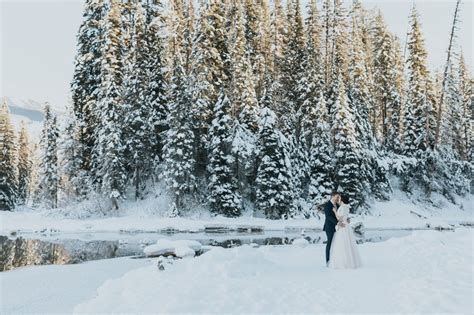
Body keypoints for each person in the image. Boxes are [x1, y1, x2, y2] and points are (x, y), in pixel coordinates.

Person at [328, 194, 362, 269]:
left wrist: (334, 211)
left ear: (342, 200)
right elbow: (345, 217)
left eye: (339, 198)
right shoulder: (346, 207)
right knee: (347, 243)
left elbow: (339, 218)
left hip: (343, 226)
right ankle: (350, 261)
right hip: (346, 226)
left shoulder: (343, 207)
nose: (338, 199)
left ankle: (343, 263)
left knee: (342, 244)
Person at [322, 191, 344, 266]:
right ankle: (328, 261)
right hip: (329, 227)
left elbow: (339, 215)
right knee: (329, 243)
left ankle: (335, 260)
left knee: (336, 244)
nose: (338, 198)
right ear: (333, 196)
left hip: (337, 228)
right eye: (337, 197)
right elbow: (328, 216)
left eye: (339, 197)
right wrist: (337, 222)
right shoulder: (327, 205)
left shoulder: (337, 205)